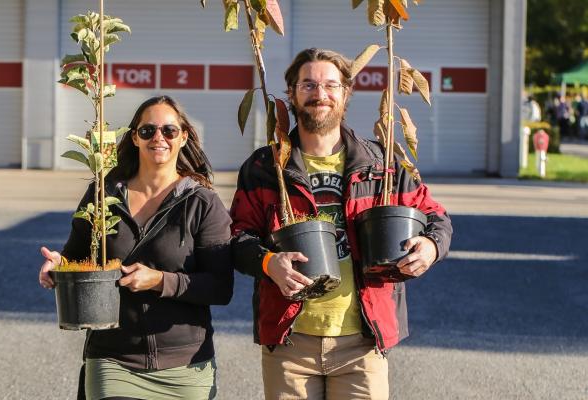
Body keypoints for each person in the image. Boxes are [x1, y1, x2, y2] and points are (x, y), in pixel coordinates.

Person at [230, 48, 452, 399]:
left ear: (346, 92)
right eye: (309, 85)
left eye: (331, 85)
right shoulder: (264, 168)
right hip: (291, 343)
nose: (320, 94)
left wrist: (431, 245)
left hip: (362, 343)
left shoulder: (382, 163)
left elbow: (435, 216)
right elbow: (238, 237)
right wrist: (268, 263)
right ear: (291, 93)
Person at [38, 95, 233, 400]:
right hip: (114, 358)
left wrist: (160, 281)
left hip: (184, 366)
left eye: (169, 130)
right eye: (148, 131)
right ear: (135, 138)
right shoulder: (104, 194)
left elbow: (221, 287)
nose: (159, 138)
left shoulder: (202, 202)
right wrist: (59, 266)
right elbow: (77, 254)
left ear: (183, 137)